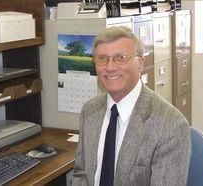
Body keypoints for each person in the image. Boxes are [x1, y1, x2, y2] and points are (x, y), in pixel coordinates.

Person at [71, 26, 191, 186]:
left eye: (120, 58)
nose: (110, 67)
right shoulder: (89, 111)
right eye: (102, 58)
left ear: (140, 63)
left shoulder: (171, 125)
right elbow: (80, 174)